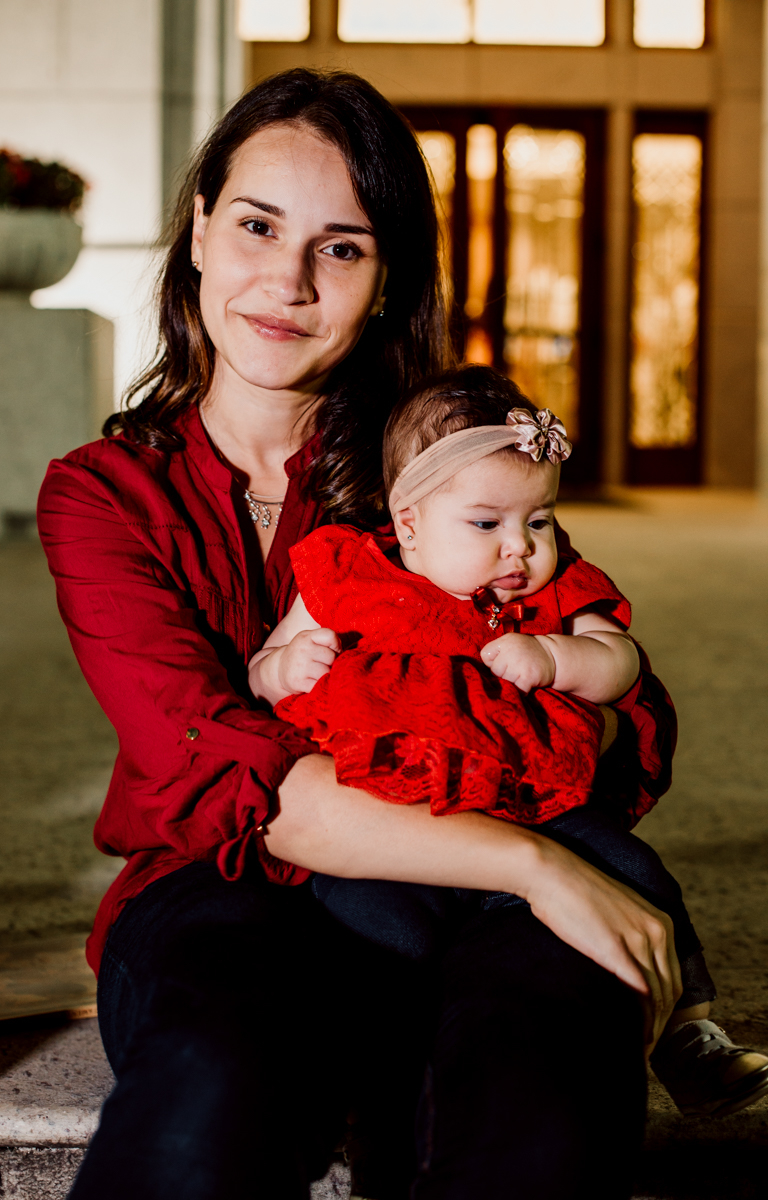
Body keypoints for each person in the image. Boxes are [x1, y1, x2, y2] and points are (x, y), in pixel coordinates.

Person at [39, 68, 682, 1200]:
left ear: (385, 280)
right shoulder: (101, 495)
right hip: (221, 887)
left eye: (339, 247)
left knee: (542, 1071)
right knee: (210, 1079)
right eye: (255, 226)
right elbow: (232, 775)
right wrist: (535, 866)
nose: (284, 280)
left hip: (469, 871)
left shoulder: (441, 473)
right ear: (197, 232)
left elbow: (616, 713)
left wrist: (566, 690)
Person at [249, 364, 768, 1122]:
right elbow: (264, 666)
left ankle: (689, 1034)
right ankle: (385, 1047)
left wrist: (560, 659)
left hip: (537, 803)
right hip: (394, 821)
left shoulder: (556, 594)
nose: (519, 549)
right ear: (411, 521)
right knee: (366, 917)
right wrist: (286, 667)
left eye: (540, 520)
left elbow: (620, 659)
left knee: (635, 874)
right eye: (486, 524)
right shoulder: (351, 576)